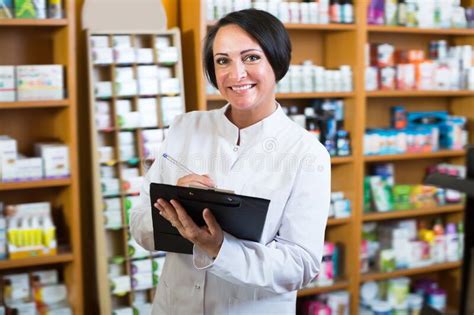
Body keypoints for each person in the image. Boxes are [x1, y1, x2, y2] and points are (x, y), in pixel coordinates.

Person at [130, 8, 330, 314]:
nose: (236, 74)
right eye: (223, 60)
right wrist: (173, 207)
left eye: (251, 57)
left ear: (276, 61)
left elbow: (300, 265)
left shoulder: (306, 153)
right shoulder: (185, 128)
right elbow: (139, 226)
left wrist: (219, 248)